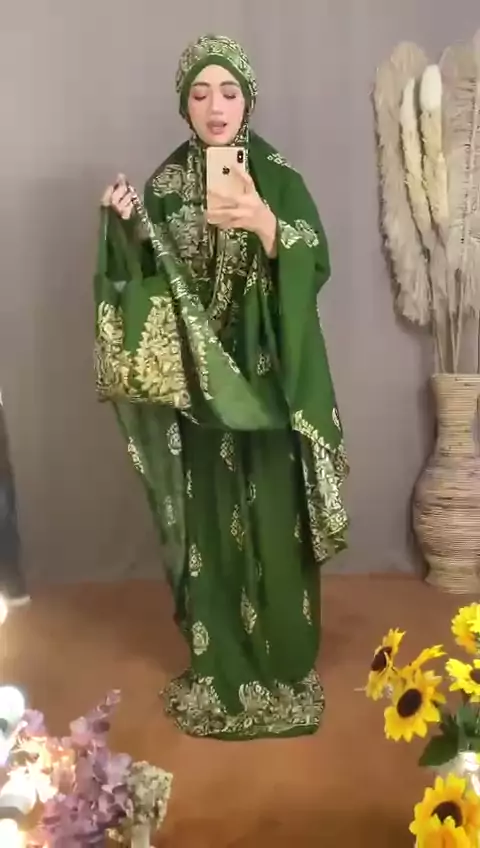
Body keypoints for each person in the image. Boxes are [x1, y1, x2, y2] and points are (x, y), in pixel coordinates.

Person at [96, 34, 348, 740]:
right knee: (211, 521)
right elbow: (151, 282)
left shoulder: (278, 178)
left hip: (268, 387)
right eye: (201, 93)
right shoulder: (164, 186)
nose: (216, 107)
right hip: (203, 396)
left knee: (275, 519)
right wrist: (128, 228)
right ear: (185, 104)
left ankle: (284, 663)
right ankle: (221, 663)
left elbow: (315, 261)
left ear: (248, 100)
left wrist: (269, 228)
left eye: (229, 92)